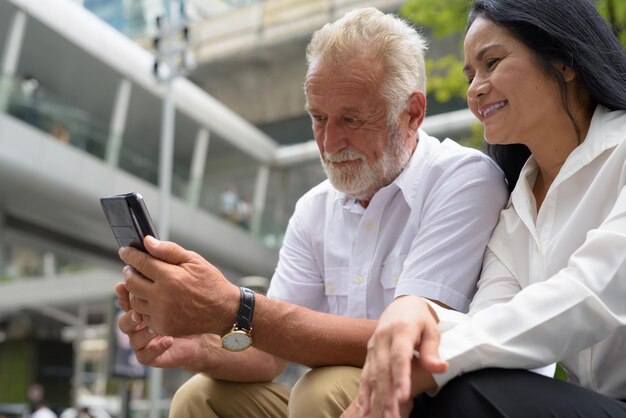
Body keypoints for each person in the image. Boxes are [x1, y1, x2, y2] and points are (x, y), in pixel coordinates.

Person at [115, 7, 508, 418]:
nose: (331, 141)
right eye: (318, 118)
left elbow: (407, 339)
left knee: (321, 389)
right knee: (199, 397)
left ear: (412, 113)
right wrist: (193, 345)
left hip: (438, 402)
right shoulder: (314, 208)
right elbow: (268, 356)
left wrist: (235, 306)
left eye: (351, 119)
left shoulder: (463, 180)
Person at [349, 0, 626, 417]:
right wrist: (413, 316)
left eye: (492, 62)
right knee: (446, 384)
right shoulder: (515, 210)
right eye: (470, 74)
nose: (475, 88)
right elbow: (491, 320)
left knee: (455, 387)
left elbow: (595, 292)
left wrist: (433, 359)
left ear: (564, 60)